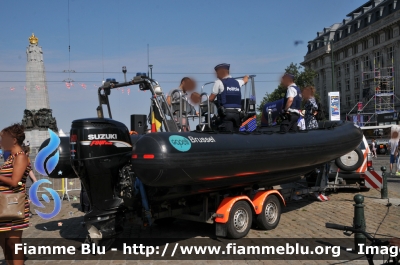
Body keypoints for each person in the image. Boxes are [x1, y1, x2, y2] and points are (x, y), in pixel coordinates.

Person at [0, 123, 31, 264]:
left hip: (13, 205)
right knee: (5, 243)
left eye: (3, 138)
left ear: (13, 140)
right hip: (3, 205)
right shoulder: (10, 158)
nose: (1, 142)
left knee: (13, 243)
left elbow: (14, 181)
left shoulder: (20, 157)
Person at [208, 63, 249, 132]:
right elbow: (245, 80)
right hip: (237, 115)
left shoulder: (219, 82)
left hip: (225, 114)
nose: (217, 76)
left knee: (226, 137)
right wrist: (247, 76)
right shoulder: (237, 82)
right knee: (236, 136)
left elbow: (211, 99)